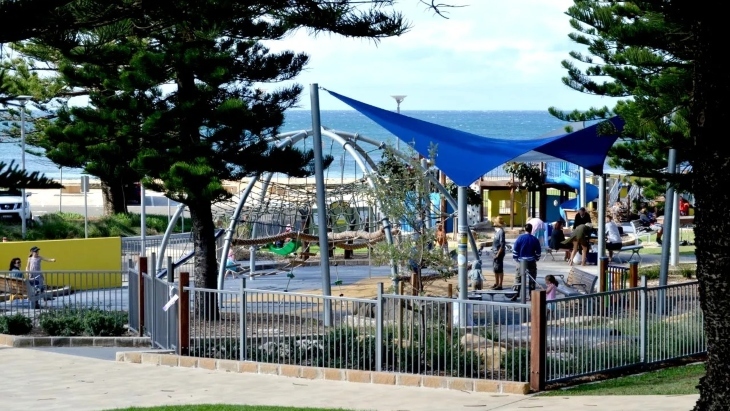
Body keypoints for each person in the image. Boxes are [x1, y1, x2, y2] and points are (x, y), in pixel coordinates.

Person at [511, 223, 542, 301]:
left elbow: (515, 250)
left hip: (521, 261)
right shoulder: (534, 239)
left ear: (525, 229)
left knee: (518, 277)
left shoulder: (520, 238)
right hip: (531, 260)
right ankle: (531, 295)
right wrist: (536, 258)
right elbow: (538, 251)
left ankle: (515, 294)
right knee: (532, 278)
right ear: (531, 230)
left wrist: (516, 258)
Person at [491, 216, 506, 290]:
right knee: (495, 268)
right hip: (495, 251)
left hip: (498, 252)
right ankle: (496, 283)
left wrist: (497, 254)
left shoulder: (501, 232)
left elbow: (502, 244)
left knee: (499, 268)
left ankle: (500, 284)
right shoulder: (497, 232)